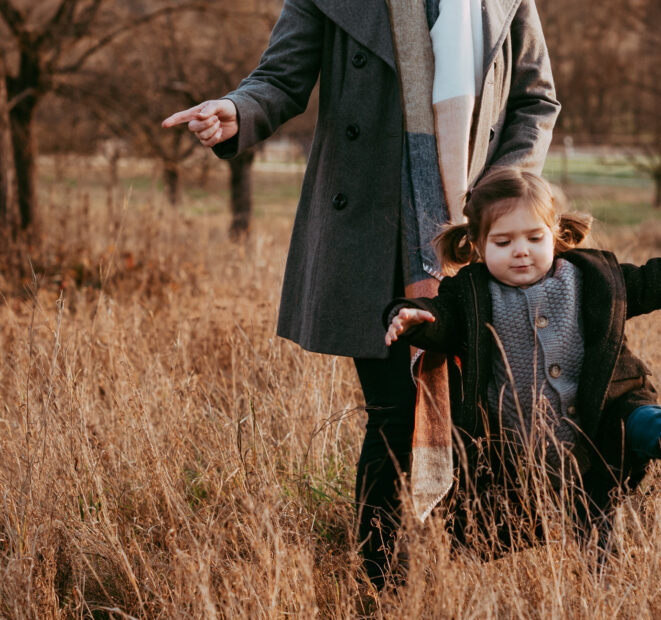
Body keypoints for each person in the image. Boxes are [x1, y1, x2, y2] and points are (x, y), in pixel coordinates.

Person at [162, 0, 560, 589]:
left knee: (483, 412)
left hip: (478, 235)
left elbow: (535, 100)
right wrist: (237, 111)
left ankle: (464, 570)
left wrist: (502, 196)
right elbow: (280, 77)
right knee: (395, 416)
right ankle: (380, 586)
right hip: (372, 235)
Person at [384, 168, 661, 545]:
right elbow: (439, 319)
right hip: (525, 448)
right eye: (504, 243)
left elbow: (657, 279)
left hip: (606, 419)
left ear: (554, 234)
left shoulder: (592, 279)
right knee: (585, 533)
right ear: (477, 244)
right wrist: (410, 318)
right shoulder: (471, 295)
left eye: (534, 238)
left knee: (654, 425)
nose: (521, 252)